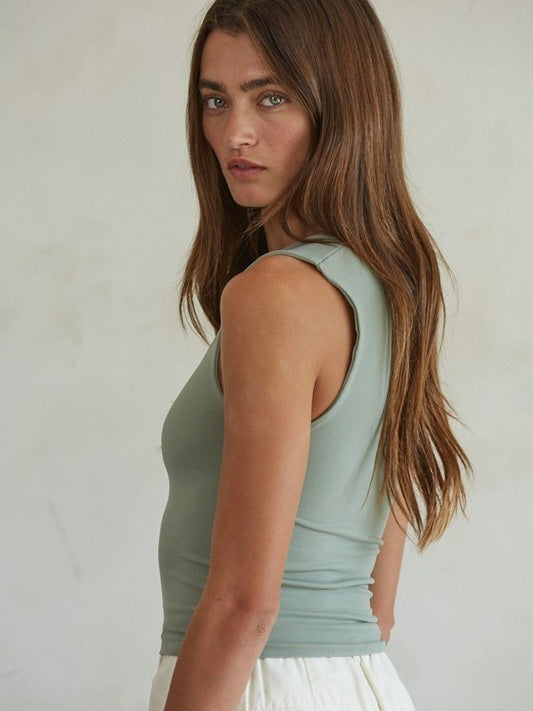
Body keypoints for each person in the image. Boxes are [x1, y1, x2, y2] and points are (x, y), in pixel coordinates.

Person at [148, 0, 472, 709]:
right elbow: (378, 608)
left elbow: (242, 607)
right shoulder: (393, 286)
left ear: (342, 107)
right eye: (215, 100)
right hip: (350, 680)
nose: (235, 133)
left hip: (252, 683)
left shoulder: (276, 295)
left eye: (271, 97)